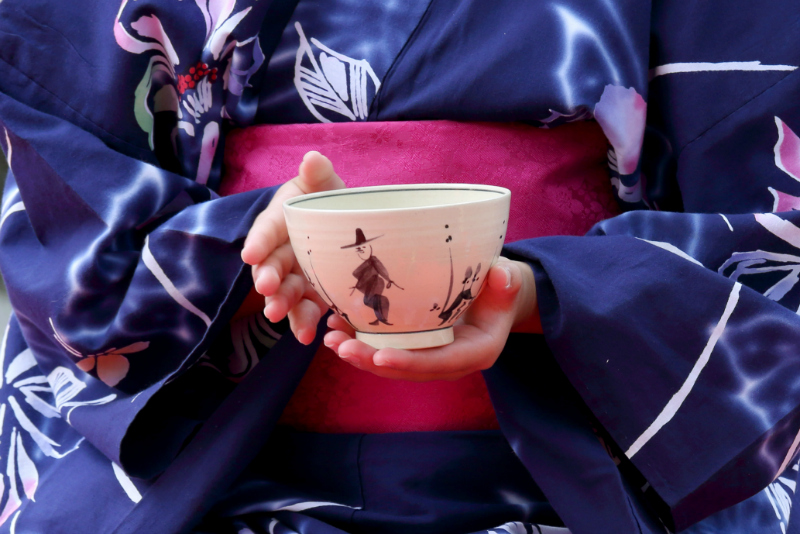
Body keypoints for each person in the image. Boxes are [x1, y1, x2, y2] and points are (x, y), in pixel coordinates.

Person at [0, 0, 799, 533]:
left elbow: (770, 221)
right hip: (219, 473)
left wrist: (544, 290)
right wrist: (238, 244)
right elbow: (64, 196)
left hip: (583, 475)